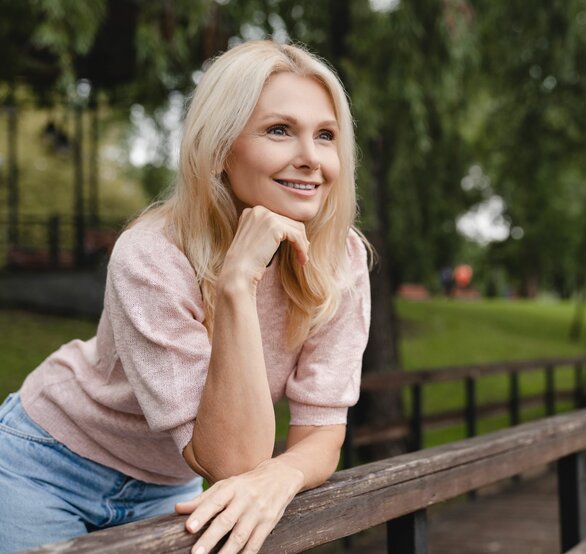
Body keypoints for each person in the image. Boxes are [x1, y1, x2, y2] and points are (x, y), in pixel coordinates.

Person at [0, 40, 371, 554]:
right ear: (220, 150)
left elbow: (316, 436)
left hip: (170, 485)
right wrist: (237, 283)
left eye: (325, 135)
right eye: (279, 130)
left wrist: (278, 477)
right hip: (48, 464)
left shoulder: (340, 259)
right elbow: (232, 463)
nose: (310, 158)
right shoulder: (150, 254)